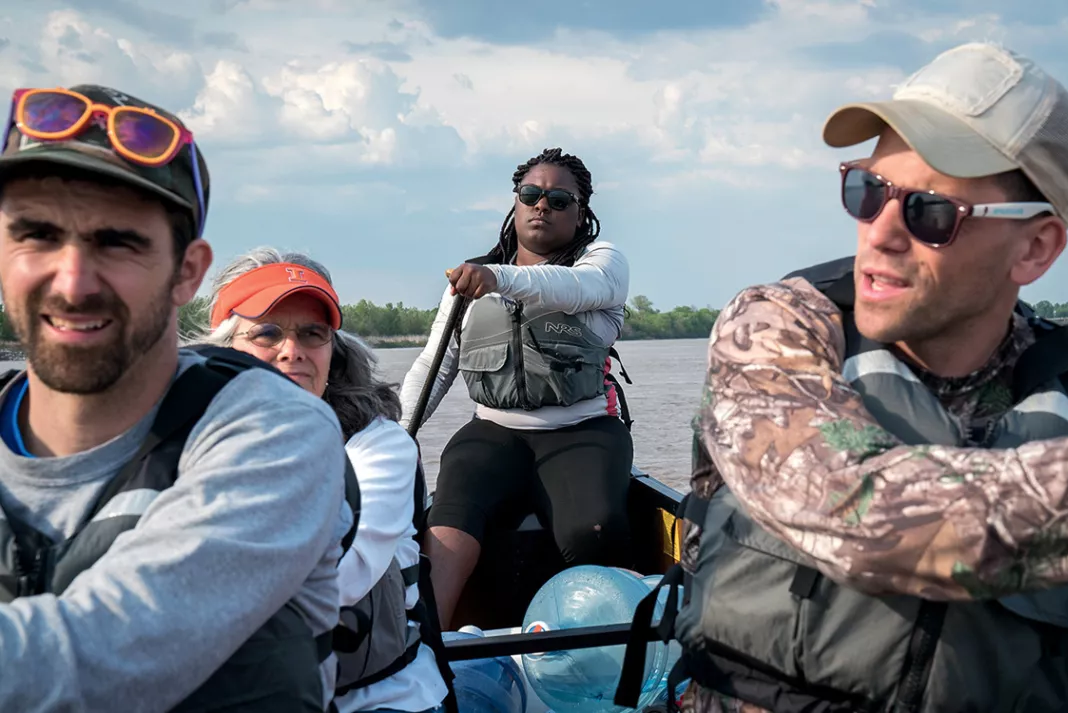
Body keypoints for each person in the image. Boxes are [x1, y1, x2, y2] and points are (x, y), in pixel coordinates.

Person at [627, 43, 1068, 713]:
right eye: (866, 192)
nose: (880, 233)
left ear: (1035, 247)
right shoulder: (777, 328)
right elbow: (857, 511)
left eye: (930, 211)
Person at [0, 85, 351, 711]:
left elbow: (101, 654)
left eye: (119, 242)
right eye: (38, 234)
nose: (74, 282)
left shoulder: (282, 434)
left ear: (187, 272)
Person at [196, 247, 450, 713]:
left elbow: (342, 578)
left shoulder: (377, 445)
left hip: (375, 700)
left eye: (312, 334)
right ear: (223, 351)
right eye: (266, 333)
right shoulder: (182, 443)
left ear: (334, 353)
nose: (291, 350)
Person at [398, 147, 634, 629]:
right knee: (446, 529)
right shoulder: (470, 279)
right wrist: (394, 433)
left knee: (592, 530)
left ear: (581, 212)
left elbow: (571, 289)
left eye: (558, 199)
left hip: (582, 430)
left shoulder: (602, 265)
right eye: (530, 194)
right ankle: (426, 653)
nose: (541, 205)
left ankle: (595, 656)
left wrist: (497, 278)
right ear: (516, 203)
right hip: (493, 432)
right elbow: (436, 364)